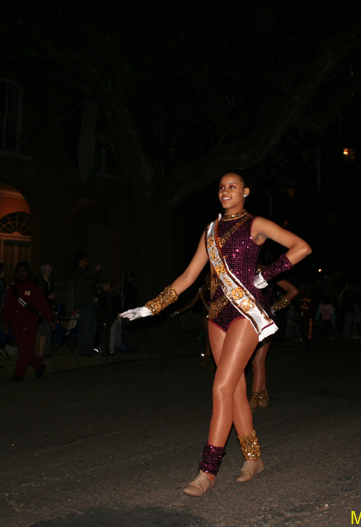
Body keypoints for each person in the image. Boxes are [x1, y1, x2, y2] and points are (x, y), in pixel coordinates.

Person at [120, 171, 311, 497]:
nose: (225, 191)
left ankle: (207, 472)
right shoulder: (209, 232)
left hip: (245, 313)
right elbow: (188, 276)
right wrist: (151, 308)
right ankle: (253, 459)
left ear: (245, 192)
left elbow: (301, 247)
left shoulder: (256, 224)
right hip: (216, 316)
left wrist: (267, 274)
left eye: (232, 187)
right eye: (222, 187)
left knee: (221, 386)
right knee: (234, 389)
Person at [249, 271, 298, 411]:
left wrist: (274, 307)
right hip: (249, 320)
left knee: (257, 360)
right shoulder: (243, 268)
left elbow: (293, 290)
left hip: (264, 320)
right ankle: (263, 396)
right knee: (256, 360)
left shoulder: (265, 272)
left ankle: (255, 398)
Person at [3, 262, 56, 381]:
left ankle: (19, 373)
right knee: (24, 348)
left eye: (23, 271)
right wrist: (6, 323)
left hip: (29, 322)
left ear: (28, 273)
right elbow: (8, 308)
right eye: (19, 271)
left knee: (24, 349)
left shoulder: (32, 288)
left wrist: (50, 320)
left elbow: (43, 304)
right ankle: (39, 366)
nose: (21, 273)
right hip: (17, 323)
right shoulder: (12, 290)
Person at [73, 252, 101, 357]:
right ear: (80, 261)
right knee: (85, 326)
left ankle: (88, 348)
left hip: (88, 303)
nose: (87, 260)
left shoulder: (83, 272)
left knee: (92, 325)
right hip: (84, 303)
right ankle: (83, 350)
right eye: (85, 259)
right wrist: (96, 272)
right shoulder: (80, 272)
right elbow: (91, 282)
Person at [34, 263, 57, 359]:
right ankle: (39, 350)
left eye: (50, 270)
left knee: (48, 329)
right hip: (40, 308)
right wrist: (48, 296)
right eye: (48, 270)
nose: (50, 272)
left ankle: (46, 351)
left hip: (48, 307)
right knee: (41, 329)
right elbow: (38, 295)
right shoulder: (38, 281)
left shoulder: (49, 281)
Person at [96, 279, 117, 359]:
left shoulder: (107, 295)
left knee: (107, 336)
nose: (109, 286)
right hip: (104, 318)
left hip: (106, 318)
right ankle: (104, 353)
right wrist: (106, 317)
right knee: (104, 336)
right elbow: (102, 309)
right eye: (108, 285)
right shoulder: (103, 295)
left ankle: (106, 352)